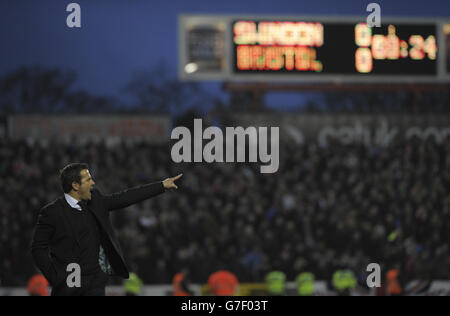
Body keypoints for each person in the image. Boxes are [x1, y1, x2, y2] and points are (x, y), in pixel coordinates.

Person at [31, 163, 182, 296]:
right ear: (75, 185)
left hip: (95, 284)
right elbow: (38, 248)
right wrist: (55, 276)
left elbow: (125, 197)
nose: (93, 183)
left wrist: (161, 186)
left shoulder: (95, 202)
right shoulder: (52, 212)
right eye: (88, 179)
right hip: (68, 286)